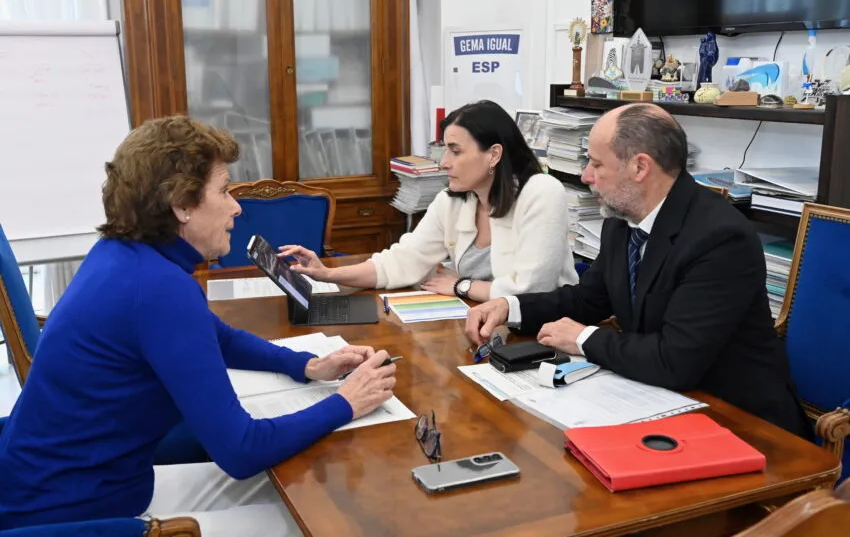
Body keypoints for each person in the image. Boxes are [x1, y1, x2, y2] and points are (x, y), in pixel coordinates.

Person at [0, 116, 397, 536]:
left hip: (67, 494)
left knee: (297, 489)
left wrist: (307, 365)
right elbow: (241, 450)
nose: (237, 206)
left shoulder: (122, 253)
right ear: (182, 205)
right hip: (81, 520)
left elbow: (217, 336)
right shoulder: (159, 288)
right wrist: (347, 402)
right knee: (322, 520)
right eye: (224, 190)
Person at [465, 103, 810, 438]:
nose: (586, 176)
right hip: (659, 399)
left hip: (743, 423)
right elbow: (588, 299)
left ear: (640, 167)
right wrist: (511, 307)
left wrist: (584, 338)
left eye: (596, 163)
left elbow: (675, 359)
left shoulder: (720, 237)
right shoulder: (622, 220)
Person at [280, 100, 579, 302]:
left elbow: (531, 293)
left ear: (494, 154)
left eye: (455, 151)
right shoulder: (453, 201)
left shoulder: (541, 193)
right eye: (444, 150)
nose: (443, 162)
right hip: (482, 327)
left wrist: (462, 285)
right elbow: (402, 262)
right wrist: (328, 273)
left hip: (540, 335)